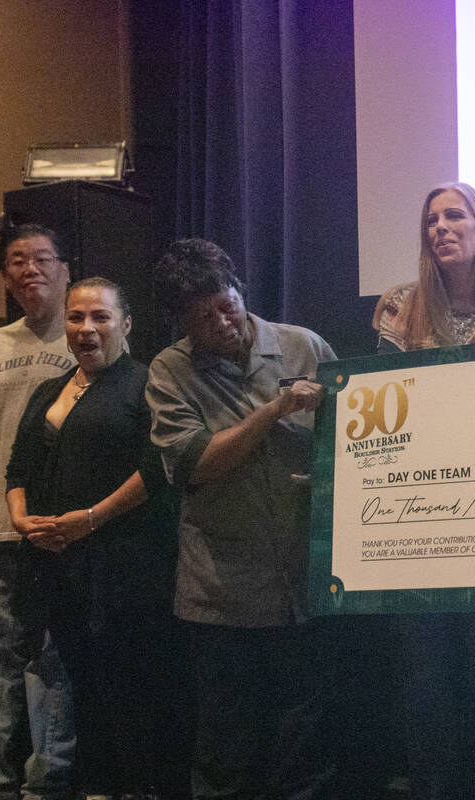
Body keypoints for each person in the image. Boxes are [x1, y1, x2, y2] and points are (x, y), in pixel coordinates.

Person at [145, 239, 338, 800]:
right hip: (224, 594)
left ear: (239, 290)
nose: (222, 321)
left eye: (226, 303)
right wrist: (273, 410)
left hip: (308, 581)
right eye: (203, 318)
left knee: (305, 747)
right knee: (227, 751)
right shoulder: (170, 371)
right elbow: (196, 465)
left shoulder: (303, 346)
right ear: (181, 323)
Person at [371, 182, 475, 800]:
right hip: (417, 514)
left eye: (453, 216)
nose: (440, 228)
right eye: (430, 220)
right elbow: (384, 397)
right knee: (424, 678)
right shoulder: (399, 305)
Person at [6, 277, 188, 799]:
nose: (86, 329)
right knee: (85, 691)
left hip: (127, 571)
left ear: (126, 325)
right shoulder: (49, 388)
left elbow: (157, 467)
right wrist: (22, 520)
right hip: (58, 572)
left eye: (100, 317)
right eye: (76, 317)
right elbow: (16, 469)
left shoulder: (147, 383)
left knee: (133, 690)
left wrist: (91, 518)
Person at [0, 223, 76, 800]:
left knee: (55, 660)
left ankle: (50, 780)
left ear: (65, 269)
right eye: (17, 260)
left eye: (43, 258)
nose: (30, 269)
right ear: (5, 275)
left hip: (64, 530)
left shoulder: (86, 336)